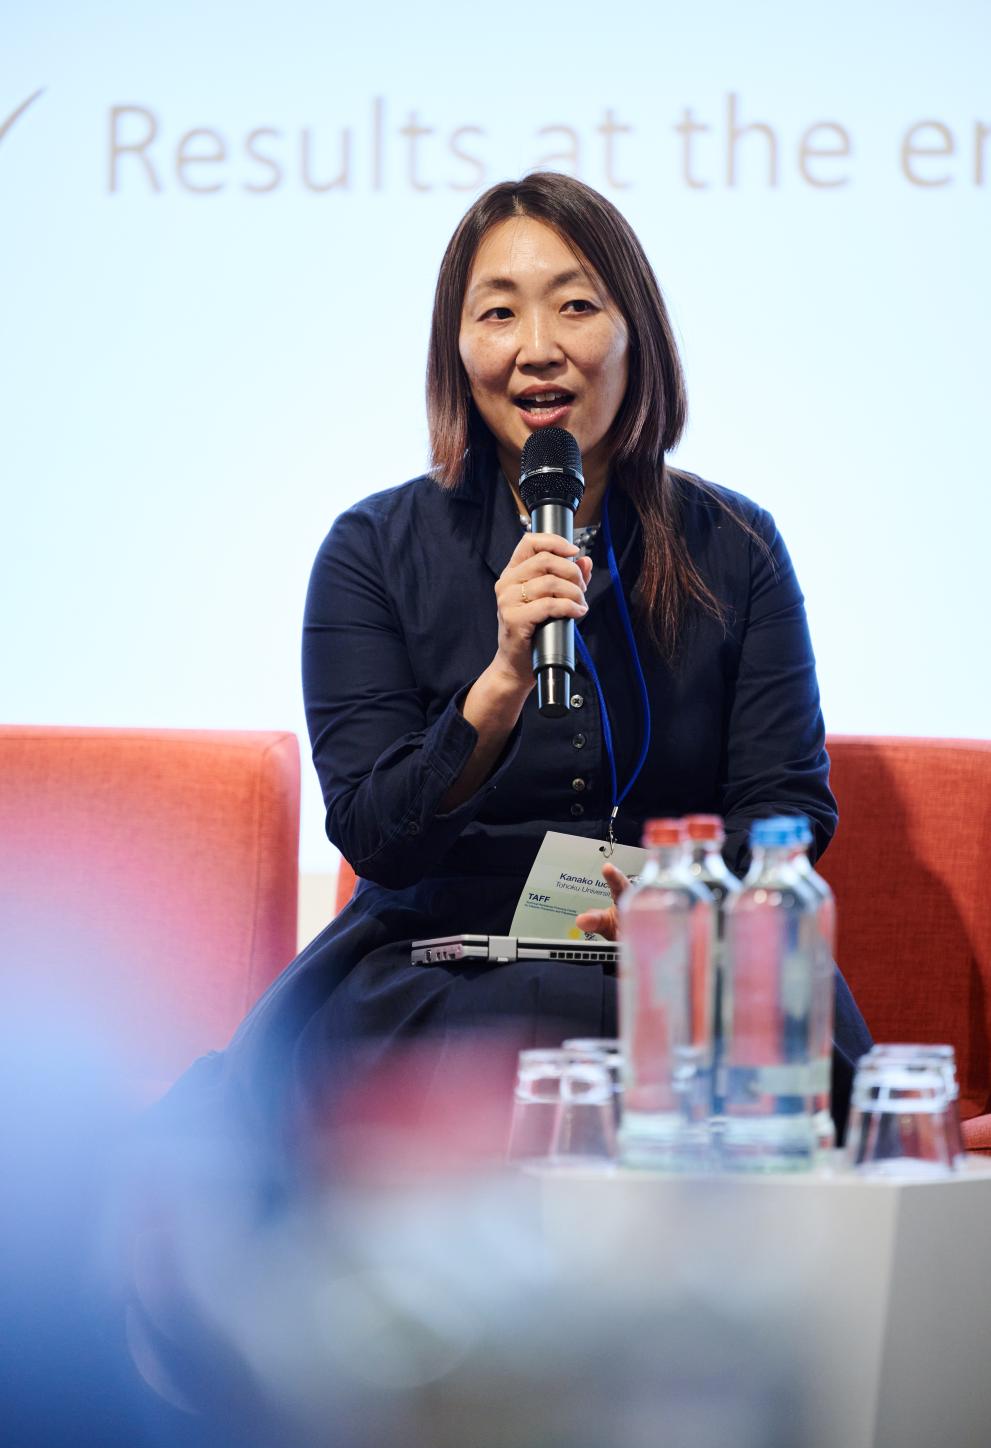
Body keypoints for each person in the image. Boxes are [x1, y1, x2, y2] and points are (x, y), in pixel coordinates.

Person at [221, 171, 871, 1147]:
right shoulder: (371, 548)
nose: (537, 348)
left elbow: (788, 802)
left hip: (681, 975)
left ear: (633, 331)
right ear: (458, 346)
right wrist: (498, 683)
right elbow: (372, 833)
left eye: (575, 304)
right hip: (434, 973)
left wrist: (681, 894)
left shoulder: (735, 544)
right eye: (497, 312)